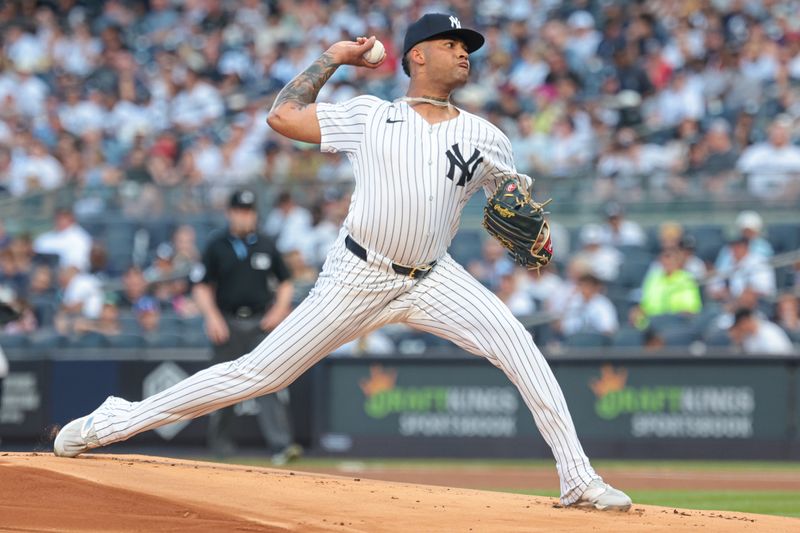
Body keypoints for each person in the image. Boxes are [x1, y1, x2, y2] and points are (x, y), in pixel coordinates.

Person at [54, 14, 631, 511]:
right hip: (358, 272)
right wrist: (332, 57)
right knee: (258, 374)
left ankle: (578, 480)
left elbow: (519, 213)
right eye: (453, 45)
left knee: (519, 346)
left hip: (434, 276)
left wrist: (532, 236)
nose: (464, 53)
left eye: (469, 48)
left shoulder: (488, 137)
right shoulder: (371, 116)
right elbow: (282, 117)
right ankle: (113, 422)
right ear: (417, 56)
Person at [191, 189, 300, 463]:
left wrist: (278, 311)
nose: (244, 216)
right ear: (230, 213)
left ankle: (280, 447)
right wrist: (212, 316)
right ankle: (220, 447)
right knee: (222, 384)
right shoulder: (217, 245)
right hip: (226, 323)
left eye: (249, 211)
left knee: (269, 382)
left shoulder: (265, 244)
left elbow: (286, 282)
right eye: (240, 211)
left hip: (260, 323)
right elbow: (201, 286)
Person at [728, 308, 794, 355]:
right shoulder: (748, 337)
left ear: (745, 321)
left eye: (740, 324)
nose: (740, 328)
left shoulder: (769, 331)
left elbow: (776, 355)